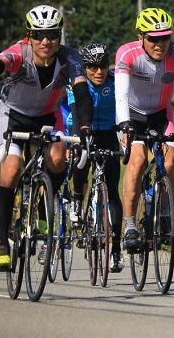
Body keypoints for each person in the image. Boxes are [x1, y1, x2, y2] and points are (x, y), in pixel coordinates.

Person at [0, 5, 93, 269]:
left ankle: (46, 209)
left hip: (47, 115)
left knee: (58, 158)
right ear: (29, 36)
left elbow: (81, 94)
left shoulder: (70, 58)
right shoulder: (18, 53)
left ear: (60, 35)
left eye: (53, 35)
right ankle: (1, 243)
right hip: (14, 115)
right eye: (39, 35)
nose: (46, 41)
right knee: (11, 171)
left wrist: (86, 127)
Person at [114, 8, 174, 251]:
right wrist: (124, 124)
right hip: (131, 115)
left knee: (169, 162)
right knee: (137, 162)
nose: (160, 44)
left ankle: (164, 210)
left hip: (160, 114)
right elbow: (121, 94)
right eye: (153, 39)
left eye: (165, 38)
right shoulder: (128, 53)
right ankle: (130, 225)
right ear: (140, 37)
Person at [62, 43, 125, 272]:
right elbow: (77, 112)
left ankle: (116, 251)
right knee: (80, 157)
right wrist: (79, 139)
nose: (99, 72)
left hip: (108, 132)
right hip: (81, 128)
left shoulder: (115, 82)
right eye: (92, 67)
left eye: (103, 66)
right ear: (84, 67)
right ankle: (78, 199)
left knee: (113, 191)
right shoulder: (77, 83)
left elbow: (124, 109)